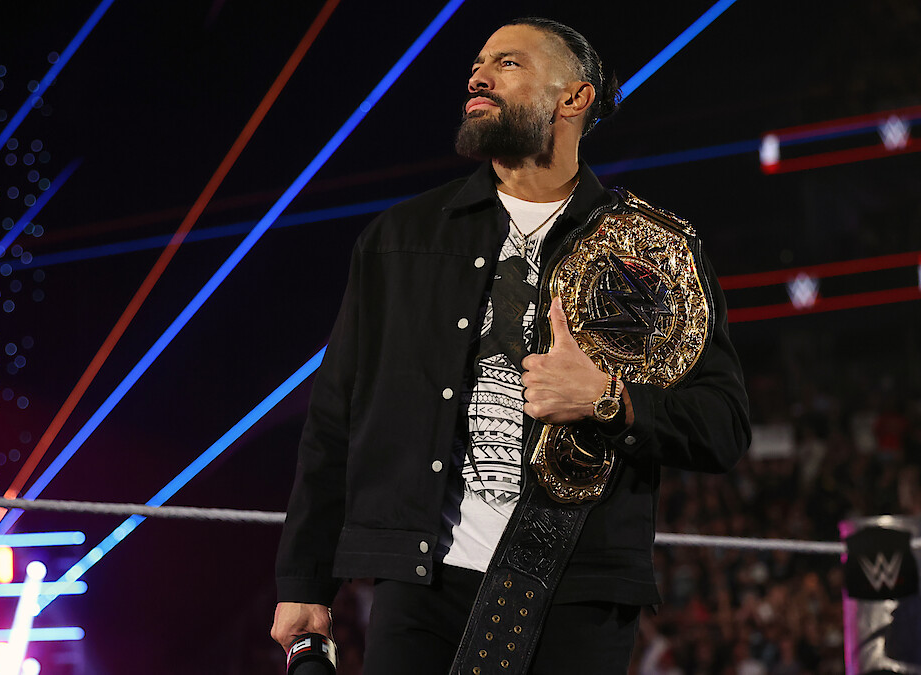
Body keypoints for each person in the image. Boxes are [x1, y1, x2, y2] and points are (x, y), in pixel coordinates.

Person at [271, 17, 751, 675]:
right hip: (422, 584)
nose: (479, 74)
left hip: (577, 593)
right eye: (477, 63)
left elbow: (724, 425)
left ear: (574, 97)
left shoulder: (653, 252)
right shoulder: (402, 239)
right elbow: (334, 420)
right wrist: (305, 578)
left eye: (509, 62)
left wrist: (608, 399)